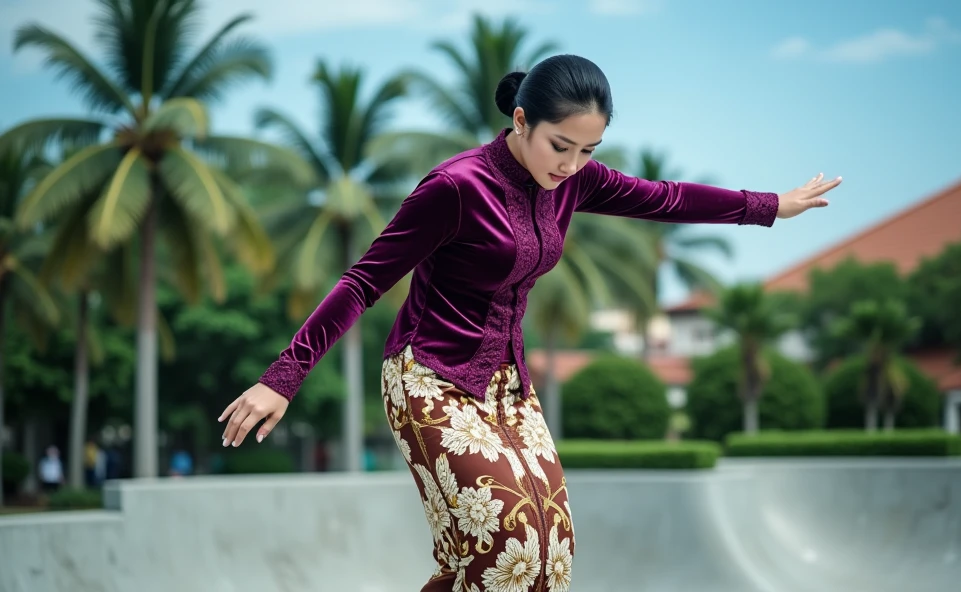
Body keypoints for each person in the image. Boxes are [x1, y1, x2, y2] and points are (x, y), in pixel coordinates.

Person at [217, 54, 841, 591]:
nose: (570, 164)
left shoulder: (575, 183)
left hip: (507, 388)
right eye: (559, 146)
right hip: (429, 378)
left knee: (549, 553)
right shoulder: (456, 187)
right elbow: (363, 281)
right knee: (503, 545)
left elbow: (665, 197)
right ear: (520, 121)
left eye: (588, 150)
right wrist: (282, 377)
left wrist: (771, 207)